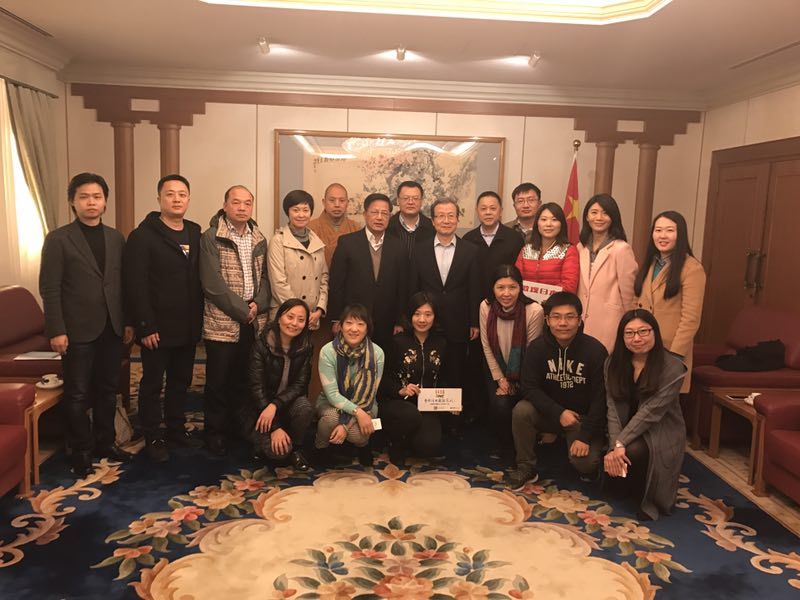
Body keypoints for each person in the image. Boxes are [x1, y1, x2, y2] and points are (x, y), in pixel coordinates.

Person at [39, 172, 135, 476]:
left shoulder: (116, 237)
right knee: (78, 393)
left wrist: (128, 322)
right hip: (76, 329)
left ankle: (105, 442)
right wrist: (56, 329)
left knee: (108, 388)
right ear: (73, 202)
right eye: (84, 197)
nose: (91, 202)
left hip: (112, 327)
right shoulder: (58, 239)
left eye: (96, 197)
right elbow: (50, 288)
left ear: (105, 202)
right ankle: (79, 449)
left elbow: (122, 284)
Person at [125, 174, 204, 463]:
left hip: (187, 325)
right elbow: (136, 284)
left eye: (182, 194)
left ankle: (175, 429)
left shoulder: (195, 232)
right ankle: (153, 436)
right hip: (156, 327)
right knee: (151, 384)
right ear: (159, 198)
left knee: (180, 381)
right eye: (170, 194)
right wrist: (145, 325)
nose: (176, 199)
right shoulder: (142, 236)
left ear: (189, 198)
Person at [508, 292, 608, 489]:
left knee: (585, 464)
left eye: (570, 317)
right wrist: (559, 412)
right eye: (556, 317)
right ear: (547, 320)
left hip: (581, 419)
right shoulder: (537, 348)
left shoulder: (596, 351)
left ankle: (596, 450)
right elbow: (529, 387)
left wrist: (585, 436)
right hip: (551, 413)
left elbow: (601, 398)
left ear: (579, 320)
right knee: (522, 410)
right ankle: (525, 465)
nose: (563, 323)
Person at [199, 184, 270, 455]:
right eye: (236, 202)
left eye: (247, 203)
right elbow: (212, 284)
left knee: (245, 380)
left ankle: (239, 428)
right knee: (218, 381)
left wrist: (259, 304)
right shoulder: (211, 237)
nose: (242, 208)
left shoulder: (259, 237)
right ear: (225, 205)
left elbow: (265, 278)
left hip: (253, 320)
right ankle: (214, 433)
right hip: (223, 321)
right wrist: (243, 310)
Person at [604, 309, 687, 520]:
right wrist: (615, 444)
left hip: (660, 428)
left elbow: (651, 413)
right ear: (622, 337)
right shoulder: (612, 363)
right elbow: (612, 407)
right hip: (625, 426)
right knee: (607, 469)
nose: (637, 338)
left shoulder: (673, 367)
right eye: (629, 333)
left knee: (633, 451)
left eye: (643, 331)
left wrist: (620, 443)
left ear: (655, 332)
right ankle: (626, 482)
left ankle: (647, 494)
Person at [411, 198, 481, 394]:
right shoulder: (419, 250)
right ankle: (426, 410)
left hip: (459, 323)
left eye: (451, 216)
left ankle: (453, 412)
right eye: (441, 216)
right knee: (427, 369)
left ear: (457, 220)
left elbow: (475, 288)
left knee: (456, 371)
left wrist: (474, 322)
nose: (446, 220)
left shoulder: (471, 251)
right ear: (433, 221)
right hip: (427, 322)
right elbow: (413, 287)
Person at [633, 211, 706, 393]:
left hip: (670, 351)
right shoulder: (650, 264)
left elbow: (691, 319)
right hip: (642, 347)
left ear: (680, 235)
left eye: (669, 230)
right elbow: (636, 303)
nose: (662, 236)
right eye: (658, 230)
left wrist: (675, 355)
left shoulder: (692, 268)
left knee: (664, 404)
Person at [328, 192, 408, 352]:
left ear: (389, 216)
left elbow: (403, 286)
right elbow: (336, 283)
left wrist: (400, 320)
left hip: (387, 321)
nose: (379, 217)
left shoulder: (399, 246)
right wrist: (336, 318)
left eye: (384, 213)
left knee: (384, 361)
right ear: (365, 214)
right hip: (353, 320)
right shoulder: (347, 243)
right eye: (374, 212)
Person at [480, 265, 544, 461]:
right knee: (499, 405)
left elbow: (532, 353)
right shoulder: (485, 306)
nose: (506, 293)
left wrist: (513, 381)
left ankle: (523, 448)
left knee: (519, 408)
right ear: (493, 288)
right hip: (496, 368)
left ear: (520, 287)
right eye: (500, 287)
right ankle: (505, 447)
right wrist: (500, 379)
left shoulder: (534, 310)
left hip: (525, 373)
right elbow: (486, 345)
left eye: (512, 287)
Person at [244, 298, 314, 472]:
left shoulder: (305, 346)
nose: (294, 323)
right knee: (279, 453)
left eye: (300, 320)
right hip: (259, 409)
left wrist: (275, 405)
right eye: (290, 317)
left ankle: (296, 448)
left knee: (304, 406)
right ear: (279, 317)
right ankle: (262, 442)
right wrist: (275, 427)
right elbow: (256, 389)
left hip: (281, 406)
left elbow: (300, 385)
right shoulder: (261, 345)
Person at [380, 292, 449, 465]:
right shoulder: (397, 341)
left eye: (428, 314)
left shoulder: (441, 343)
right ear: (410, 315)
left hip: (428, 405)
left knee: (429, 446)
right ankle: (395, 442)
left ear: (435, 316)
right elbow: (383, 378)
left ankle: (410, 440)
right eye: (417, 314)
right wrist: (400, 390)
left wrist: (451, 402)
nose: (422, 319)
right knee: (409, 415)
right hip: (398, 403)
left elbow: (445, 378)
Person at [314, 304, 385, 467]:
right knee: (331, 419)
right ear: (340, 326)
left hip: (366, 405)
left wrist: (346, 426)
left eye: (360, 324)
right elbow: (332, 395)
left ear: (367, 328)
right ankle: (320, 449)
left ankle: (363, 447)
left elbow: (370, 394)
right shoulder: (328, 351)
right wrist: (357, 413)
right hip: (330, 403)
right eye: (349, 323)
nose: (354, 329)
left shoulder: (377, 353)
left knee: (358, 434)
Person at [576, 194, 638, 353]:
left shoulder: (621, 248)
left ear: (613, 218)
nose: (599, 218)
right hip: (580, 320)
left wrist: (630, 323)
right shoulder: (580, 247)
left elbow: (628, 292)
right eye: (594, 212)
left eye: (605, 213)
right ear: (587, 217)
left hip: (609, 321)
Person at [268, 190, 329, 330]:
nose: (301, 215)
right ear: (288, 212)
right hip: (286, 315)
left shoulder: (317, 242)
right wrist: (301, 313)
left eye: (305, 210)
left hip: (312, 317)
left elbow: (324, 279)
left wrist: (319, 309)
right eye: (296, 210)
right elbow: (278, 283)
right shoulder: (278, 241)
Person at [463, 191, 524, 293]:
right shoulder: (468, 239)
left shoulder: (514, 238)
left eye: (493, 208)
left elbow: (519, 274)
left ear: (501, 211)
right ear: (477, 211)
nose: (488, 212)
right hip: (475, 297)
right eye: (483, 209)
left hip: (506, 296)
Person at [515, 202, 579, 294]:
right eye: (544, 219)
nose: (548, 224)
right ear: (537, 223)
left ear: (561, 224)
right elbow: (516, 281)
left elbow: (569, 285)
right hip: (526, 301)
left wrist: (542, 296)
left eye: (554, 220)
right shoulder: (526, 249)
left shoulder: (569, 250)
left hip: (556, 302)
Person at [308, 183, 361, 268]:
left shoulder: (356, 228)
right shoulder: (310, 228)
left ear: (347, 203)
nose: (337, 205)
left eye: (342, 200)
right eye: (332, 200)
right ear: (324, 202)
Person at [386, 180, 435, 260]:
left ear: (421, 201)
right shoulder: (387, 226)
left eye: (415, 198)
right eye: (406, 198)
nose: (410, 202)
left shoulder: (432, 227)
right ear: (397, 201)